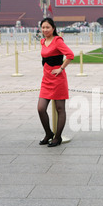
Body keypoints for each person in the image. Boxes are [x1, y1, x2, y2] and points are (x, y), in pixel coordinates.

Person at [38, 18, 74, 147]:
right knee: (41, 108)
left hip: (58, 79)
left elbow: (70, 55)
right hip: (46, 79)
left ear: (53, 28)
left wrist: (61, 68)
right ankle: (49, 133)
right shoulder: (42, 41)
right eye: (43, 27)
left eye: (47, 27)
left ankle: (57, 137)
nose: (45, 30)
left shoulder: (58, 41)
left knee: (60, 109)